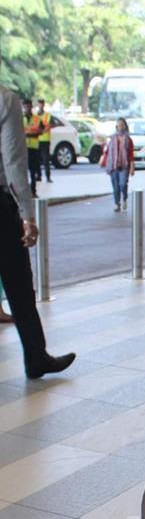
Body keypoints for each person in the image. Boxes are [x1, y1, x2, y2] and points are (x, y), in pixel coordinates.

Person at [0, 85, 75, 378]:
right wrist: (27, 216)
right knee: (18, 284)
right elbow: (14, 162)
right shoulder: (5, 100)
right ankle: (35, 356)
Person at [100, 118, 135, 212]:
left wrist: (132, 167)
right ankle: (117, 204)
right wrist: (104, 161)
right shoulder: (112, 138)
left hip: (124, 165)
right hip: (113, 165)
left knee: (123, 184)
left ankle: (124, 199)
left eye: (122, 125)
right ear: (116, 126)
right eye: (119, 125)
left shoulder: (128, 139)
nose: (120, 127)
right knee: (115, 186)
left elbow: (131, 154)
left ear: (125, 126)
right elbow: (107, 152)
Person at [22, 98, 40, 197]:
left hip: (33, 147)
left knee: (33, 171)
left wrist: (28, 132)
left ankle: (33, 191)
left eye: (28, 106)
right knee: (23, 171)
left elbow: (40, 131)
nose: (26, 108)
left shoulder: (36, 119)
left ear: (31, 107)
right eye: (25, 106)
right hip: (23, 148)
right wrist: (31, 132)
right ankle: (25, 192)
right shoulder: (20, 118)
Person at [36, 99, 52, 182]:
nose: (40, 106)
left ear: (44, 105)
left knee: (46, 159)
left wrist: (41, 131)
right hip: (36, 140)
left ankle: (48, 177)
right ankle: (38, 176)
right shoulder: (35, 115)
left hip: (45, 139)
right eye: (39, 104)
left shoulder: (47, 115)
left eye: (42, 104)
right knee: (37, 159)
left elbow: (49, 125)